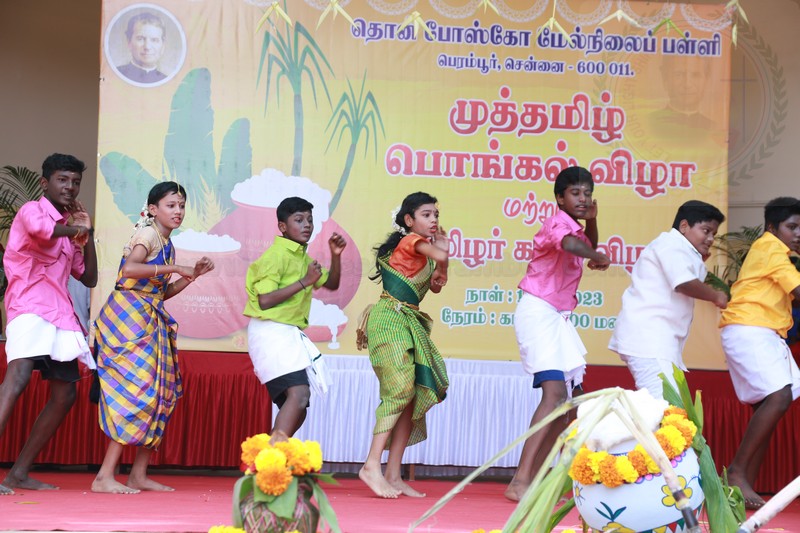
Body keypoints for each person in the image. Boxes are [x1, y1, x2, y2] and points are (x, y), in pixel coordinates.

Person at [91, 182, 214, 494]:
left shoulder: (165, 241)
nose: (178, 211)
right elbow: (130, 270)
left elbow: (161, 293)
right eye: (171, 205)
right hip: (127, 321)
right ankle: (104, 476)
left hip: (148, 317)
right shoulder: (148, 234)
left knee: (160, 393)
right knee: (136, 393)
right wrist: (176, 266)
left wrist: (192, 275)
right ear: (153, 209)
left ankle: (138, 474)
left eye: (181, 205)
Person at [505, 166, 611, 502]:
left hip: (558, 318)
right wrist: (595, 254)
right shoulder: (557, 224)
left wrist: (593, 223)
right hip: (539, 313)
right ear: (559, 198)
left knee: (567, 403)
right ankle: (519, 481)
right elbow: (571, 244)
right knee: (553, 395)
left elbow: (585, 242)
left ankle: (535, 480)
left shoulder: (576, 227)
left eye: (587, 193)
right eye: (575, 193)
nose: (583, 199)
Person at [0, 154, 96, 496]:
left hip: (61, 316)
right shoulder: (32, 210)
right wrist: (78, 229)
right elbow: (45, 231)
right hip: (28, 306)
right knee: (17, 379)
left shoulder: (72, 230)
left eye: (75, 182)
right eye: (62, 180)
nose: (70, 187)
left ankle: (18, 474)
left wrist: (88, 234)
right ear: (45, 183)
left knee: (65, 394)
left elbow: (89, 277)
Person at [359, 192, 449, 499]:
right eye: (426, 214)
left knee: (411, 395)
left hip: (406, 321)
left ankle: (394, 475)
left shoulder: (425, 252)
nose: (433, 219)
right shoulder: (412, 241)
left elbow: (436, 285)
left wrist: (443, 262)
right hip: (390, 320)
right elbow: (438, 253)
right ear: (409, 220)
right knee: (399, 390)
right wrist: (444, 249)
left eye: (436, 214)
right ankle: (371, 465)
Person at [719, 197, 800, 510]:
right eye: (792, 227)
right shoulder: (770, 247)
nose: (798, 234)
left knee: (771, 403)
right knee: (779, 397)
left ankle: (740, 491)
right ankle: (736, 471)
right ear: (771, 227)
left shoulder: (778, 253)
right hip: (751, 328)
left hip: (763, 331)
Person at [243, 197, 346, 439]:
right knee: (299, 396)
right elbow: (265, 300)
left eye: (309, 220)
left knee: (300, 407)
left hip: (287, 334)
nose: (306, 225)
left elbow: (331, 284)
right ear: (283, 226)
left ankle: (269, 456)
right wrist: (305, 281)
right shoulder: (276, 256)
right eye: (299, 220)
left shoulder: (303, 258)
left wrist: (336, 255)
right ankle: (270, 457)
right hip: (270, 332)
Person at [609, 200, 729, 398]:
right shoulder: (671, 244)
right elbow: (683, 283)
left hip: (658, 341)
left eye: (713, 234)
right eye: (706, 231)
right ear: (684, 226)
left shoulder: (680, 249)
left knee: (665, 406)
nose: (710, 239)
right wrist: (716, 296)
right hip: (649, 340)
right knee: (666, 405)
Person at [117, 12, 167, 84]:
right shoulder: (115, 74)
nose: (147, 47)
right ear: (129, 42)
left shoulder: (168, 81)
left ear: (163, 45)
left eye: (154, 40)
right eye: (140, 39)